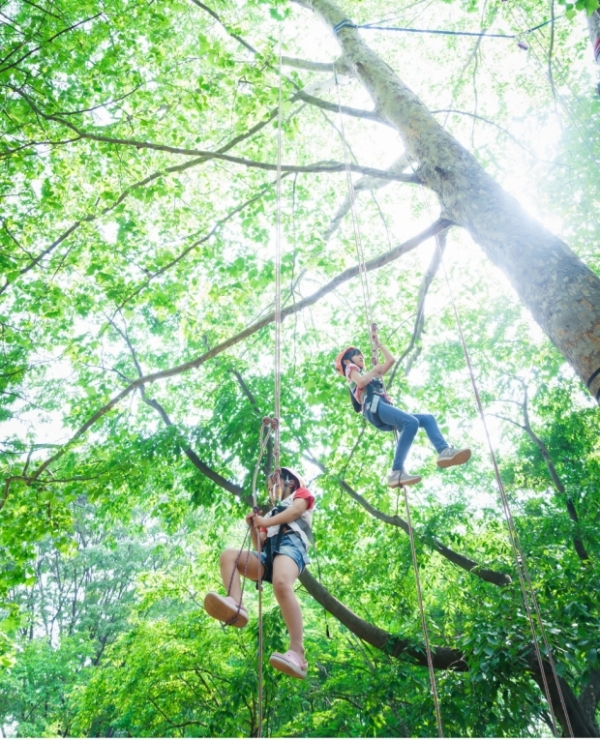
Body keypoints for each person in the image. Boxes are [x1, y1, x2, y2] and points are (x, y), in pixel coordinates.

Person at [203, 466, 314, 680]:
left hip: (291, 547)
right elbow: (260, 546)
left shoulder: (301, 494)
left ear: (290, 482)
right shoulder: (272, 513)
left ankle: (298, 652)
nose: (272, 489)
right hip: (269, 555)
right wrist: (255, 528)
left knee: (282, 584)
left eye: (275, 483)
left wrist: (264, 522)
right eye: (269, 486)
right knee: (229, 556)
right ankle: (236, 603)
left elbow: (295, 511)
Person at [335, 334, 471, 487]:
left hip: (381, 409)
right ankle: (397, 471)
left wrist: (378, 344)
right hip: (373, 407)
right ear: (347, 361)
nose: (361, 356)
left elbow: (390, 361)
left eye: (361, 354)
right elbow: (360, 382)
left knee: (427, 418)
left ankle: (444, 450)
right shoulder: (351, 369)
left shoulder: (371, 377)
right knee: (410, 422)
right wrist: (374, 370)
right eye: (356, 354)